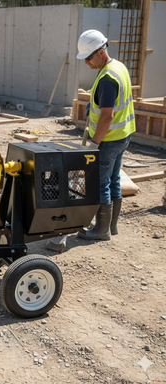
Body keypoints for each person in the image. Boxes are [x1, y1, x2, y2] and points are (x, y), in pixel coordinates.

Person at [76, 29, 136, 241]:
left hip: (108, 139)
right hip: (123, 136)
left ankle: (101, 230)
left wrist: (94, 143)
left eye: (88, 57)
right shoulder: (118, 67)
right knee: (114, 180)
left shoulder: (107, 78)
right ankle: (111, 226)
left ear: (101, 52)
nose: (86, 62)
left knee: (101, 183)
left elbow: (107, 117)